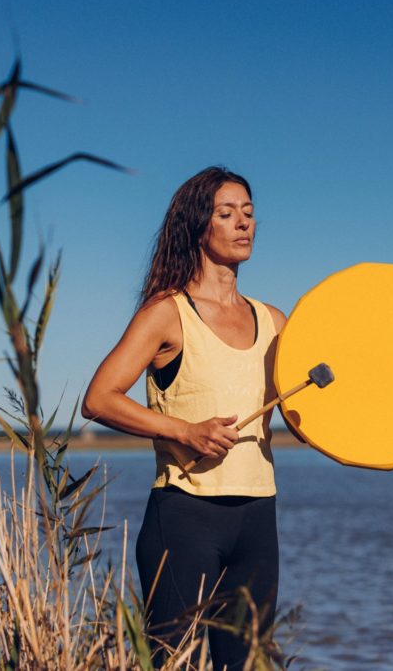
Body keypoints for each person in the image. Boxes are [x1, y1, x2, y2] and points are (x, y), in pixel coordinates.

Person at [82, 166, 287, 670]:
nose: (243, 223)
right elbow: (100, 398)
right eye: (227, 213)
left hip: (258, 520)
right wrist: (185, 430)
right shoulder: (167, 313)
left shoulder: (275, 321)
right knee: (177, 664)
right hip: (185, 519)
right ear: (199, 226)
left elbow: (301, 415)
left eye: (249, 213)